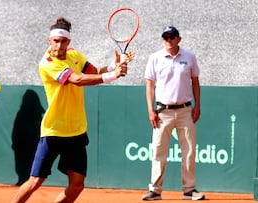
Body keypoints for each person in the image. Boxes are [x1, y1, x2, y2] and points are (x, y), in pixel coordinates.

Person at [11, 17, 134, 203]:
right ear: (49, 40)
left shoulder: (74, 55)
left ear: (69, 42)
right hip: (54, 130)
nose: (59, 46)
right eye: (56, 41)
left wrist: (113, 66)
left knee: (77, 185)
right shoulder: (47, 62)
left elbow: (93, 72)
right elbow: (77, 80)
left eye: (63, 41)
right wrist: (113, 75)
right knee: (35, 181)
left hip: (76, 130)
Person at [142, 26, 205, 201]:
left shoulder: (189, 57)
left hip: (186, 110)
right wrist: (150, 110)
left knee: (190, 151)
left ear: (179, 39)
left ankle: (189, 190)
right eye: (165, 37)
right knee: (158, 152)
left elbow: (195, 82)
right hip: (162, 112)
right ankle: (155, 190)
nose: (168, 41)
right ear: (162, 39)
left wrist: (197, 106)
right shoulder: (155, 58)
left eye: (172, 37)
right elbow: (149, 86)